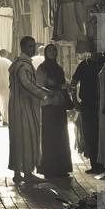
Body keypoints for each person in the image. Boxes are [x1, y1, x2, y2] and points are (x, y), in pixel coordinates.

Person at [8, 37, 50, 186]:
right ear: (23, 47)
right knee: (27, 138)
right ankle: (27, 173)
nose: (33, 48)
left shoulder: (16, 64)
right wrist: (45, 94)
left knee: (17, 139)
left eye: (34, 46)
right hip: (24, 107)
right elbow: (27, 84)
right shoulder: (23, 66)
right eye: (30, 46)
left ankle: (18, 173)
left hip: (16, 106)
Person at [36, 44, 73, 179]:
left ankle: (62, 167)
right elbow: (39, 86)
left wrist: (64, 89)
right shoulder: (42, 68)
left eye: (54, 50)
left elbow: (61, 85)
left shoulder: (59, 68)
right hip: (49, 105)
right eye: (50, 50)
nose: (52, 52)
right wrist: (57, 87)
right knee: (50, 137)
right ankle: (50, 168)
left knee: (61, 136)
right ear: (46, 53)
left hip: (59, 105)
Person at [71, 42, 105, 173]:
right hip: (87, 105)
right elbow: (74, 83)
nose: (97, 52)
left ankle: (104, 164)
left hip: (103, 104)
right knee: (90, 135)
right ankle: (95, 165)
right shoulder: (83, 65)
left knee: (102, 134)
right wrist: (75, 101)